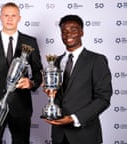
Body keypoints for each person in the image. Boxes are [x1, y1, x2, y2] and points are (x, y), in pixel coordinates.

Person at [0, 2, 43, 144]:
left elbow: (38, 72)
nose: (10, 19)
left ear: (19, 18)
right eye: (6, 15)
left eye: (13, 15)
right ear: (0, 17)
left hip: (21, 107)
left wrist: (31, 83)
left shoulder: (30, 42)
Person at [43, 15, 113, 144]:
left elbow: (103, 98)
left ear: (81, 32)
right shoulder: (56, 62)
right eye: (64, 31)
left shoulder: (96, 60)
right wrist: (51, 94)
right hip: (59, 134)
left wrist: (74, 118)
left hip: (85, 135)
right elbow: (62, 96)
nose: (68, 34)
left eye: (73, 30)